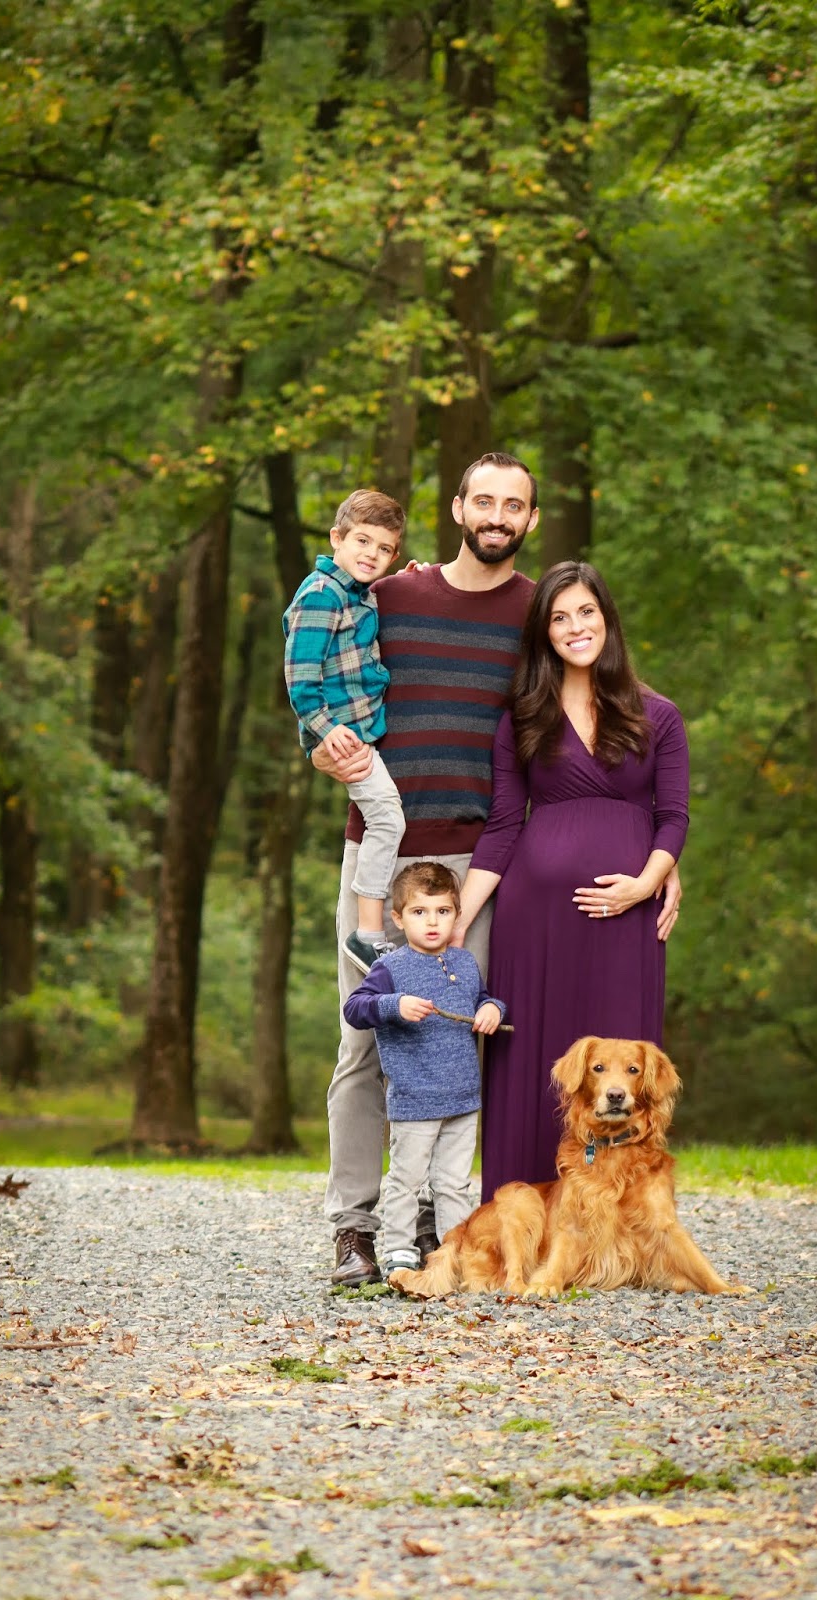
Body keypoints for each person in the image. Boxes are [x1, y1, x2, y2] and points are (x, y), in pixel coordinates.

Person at [314, 465, 683, 1285]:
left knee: (468, 1040)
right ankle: (355, 1227)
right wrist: (320, 744)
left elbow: (613, 728)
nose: (496, 515)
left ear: (531, 518)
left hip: (484, 862)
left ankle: (439, 1219)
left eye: (513, 505)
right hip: (383, 851)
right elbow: (321, 669)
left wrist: (662, 865)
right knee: (368, 1041)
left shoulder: (538, 612)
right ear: (458, 508)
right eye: (483, 500)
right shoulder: (389, 595)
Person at [453, 561, 689, 1201]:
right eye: (559, 618)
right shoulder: (523, 717)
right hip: (534, 922)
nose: (575, 627)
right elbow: (504, 825)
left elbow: (673, 817)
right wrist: (459, 918)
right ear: (544, 632)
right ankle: (521, 1219)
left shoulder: (658, 716)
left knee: (622, 1072)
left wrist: (645, 884)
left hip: (627, 923)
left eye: (586, 612)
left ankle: (621, 1223)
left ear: (607, 619)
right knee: (535, 1062)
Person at [342, 862, 505, 1276]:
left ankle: (455, 1255)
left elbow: (482, 998)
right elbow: (355, 1008)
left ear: (456, 915)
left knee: (453, 1183)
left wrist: (492, 1008)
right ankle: (399, 1251)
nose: (432, 922)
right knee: (406, 1180)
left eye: (442, 912)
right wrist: (393, 1005)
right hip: (415, 1101)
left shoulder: (464, 962)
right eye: (419, 912)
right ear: (399, 919)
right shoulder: (391, 969)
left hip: (462, 1099)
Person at [282, 490, 407, 974]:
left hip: (356, 729)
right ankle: (367, 933)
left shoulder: (359, 591)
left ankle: (369, 930)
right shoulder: (322, 594)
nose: (371, 554)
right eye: (362, 541)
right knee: (388, 821)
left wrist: (410, 577)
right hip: (344, 735)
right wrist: (325, 729)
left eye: (383, 548)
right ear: (337, 538)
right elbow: (300, 676)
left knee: (385, 819)